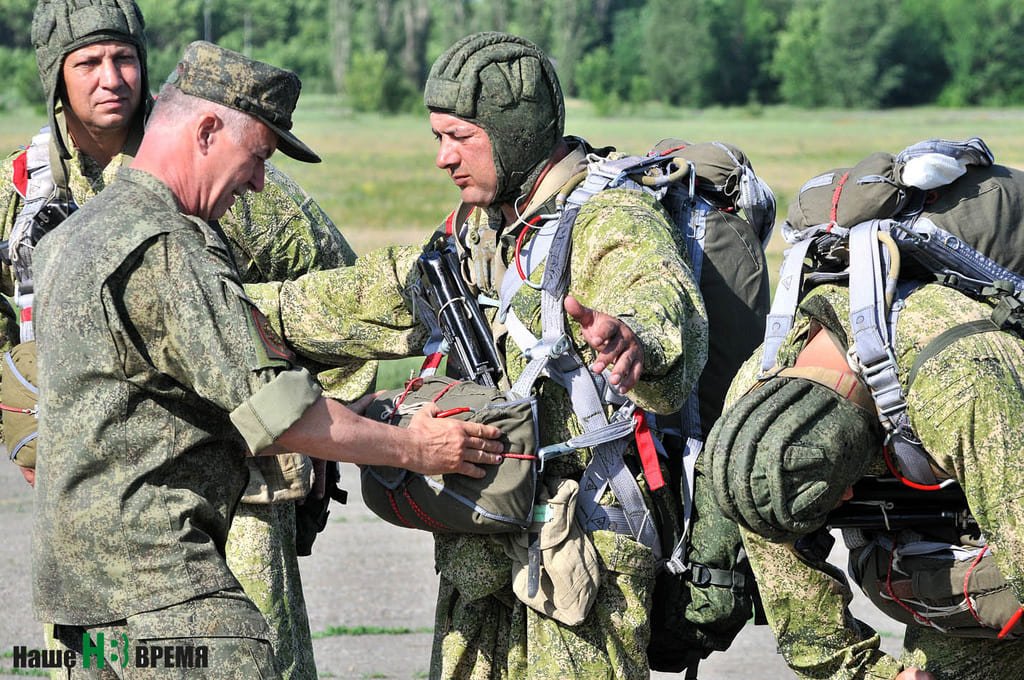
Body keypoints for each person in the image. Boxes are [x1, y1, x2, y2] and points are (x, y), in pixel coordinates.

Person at [30, 40, 504, 678]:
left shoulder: (72, 237)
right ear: (205, 131)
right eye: (256, 158)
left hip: (77, 600)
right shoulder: (168, 249)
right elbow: (282, 417)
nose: (258, 182)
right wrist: (418, 448)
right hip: (165, 596)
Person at [246, 31, 707, 678]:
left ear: (514, 132)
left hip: (582, 559)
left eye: (459, 138)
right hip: (483, 545)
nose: (442, 159)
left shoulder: (610, 219)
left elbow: (659, 300)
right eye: (438, 137)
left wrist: (635, 342)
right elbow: (355, 299)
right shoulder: (477, 231)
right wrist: (217, 304)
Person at [0, 1, 366, 675]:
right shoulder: (21, 193)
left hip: (240, 494)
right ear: (56, 76)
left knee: (255, 658)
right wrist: (26, 430)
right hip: (93, 516)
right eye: (88, 62)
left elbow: (340, 294)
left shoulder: (232, 169)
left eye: (125, 58)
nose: (111, 78)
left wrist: (310, 427)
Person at [705, 245, 1024, 675]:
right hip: (933, 566)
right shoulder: (756, 444)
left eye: (842, 492)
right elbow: (805, 619)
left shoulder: (962, 384)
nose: (851, 499)